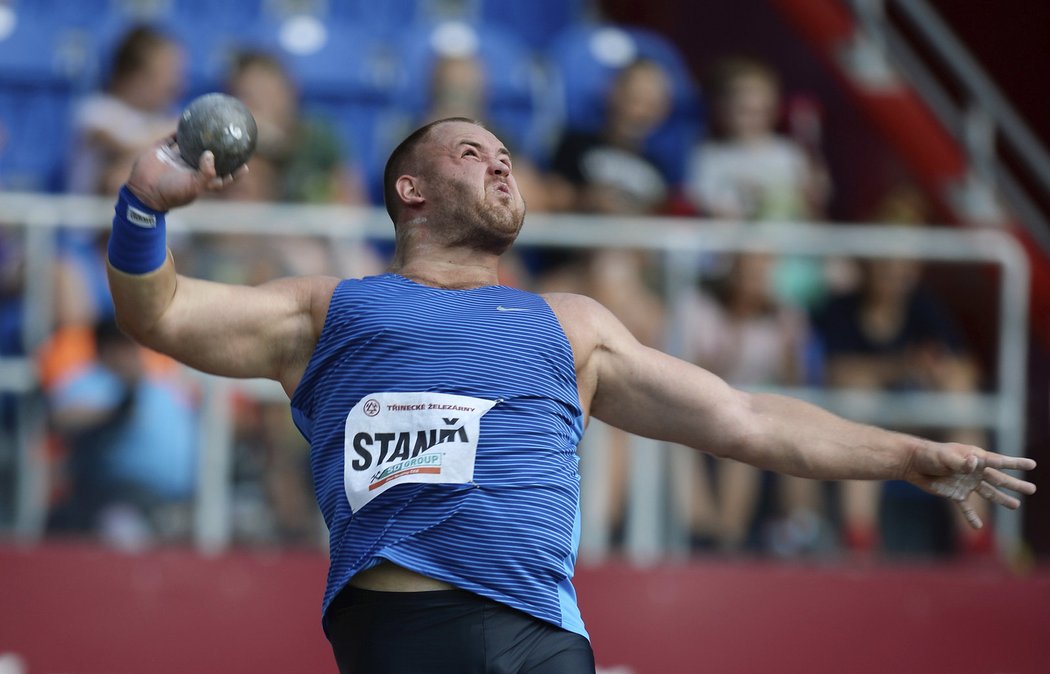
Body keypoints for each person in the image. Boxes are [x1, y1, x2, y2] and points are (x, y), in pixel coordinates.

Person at [106, 118, 1036, 673]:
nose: (501, 165)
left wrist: (911, 454)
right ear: (411, 189)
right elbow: (167, 314)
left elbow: (744, 418)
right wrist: (144, 204)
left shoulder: (574, 324)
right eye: (474, 154)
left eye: (508, 156)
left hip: (546, 637)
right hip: (405, 630)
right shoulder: (327, 310)